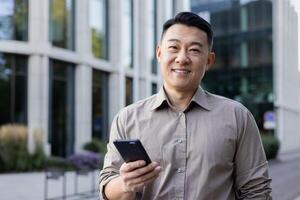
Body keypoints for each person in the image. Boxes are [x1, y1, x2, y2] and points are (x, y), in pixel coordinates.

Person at [99, 12, 272, 200]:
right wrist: (125, 184)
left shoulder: (237, 116)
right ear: (159, 53)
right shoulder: (127, 118)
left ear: (209, 61)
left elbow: (256, 191)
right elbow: (107, 186)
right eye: (173, 47)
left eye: (194, 50)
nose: (182, 58)